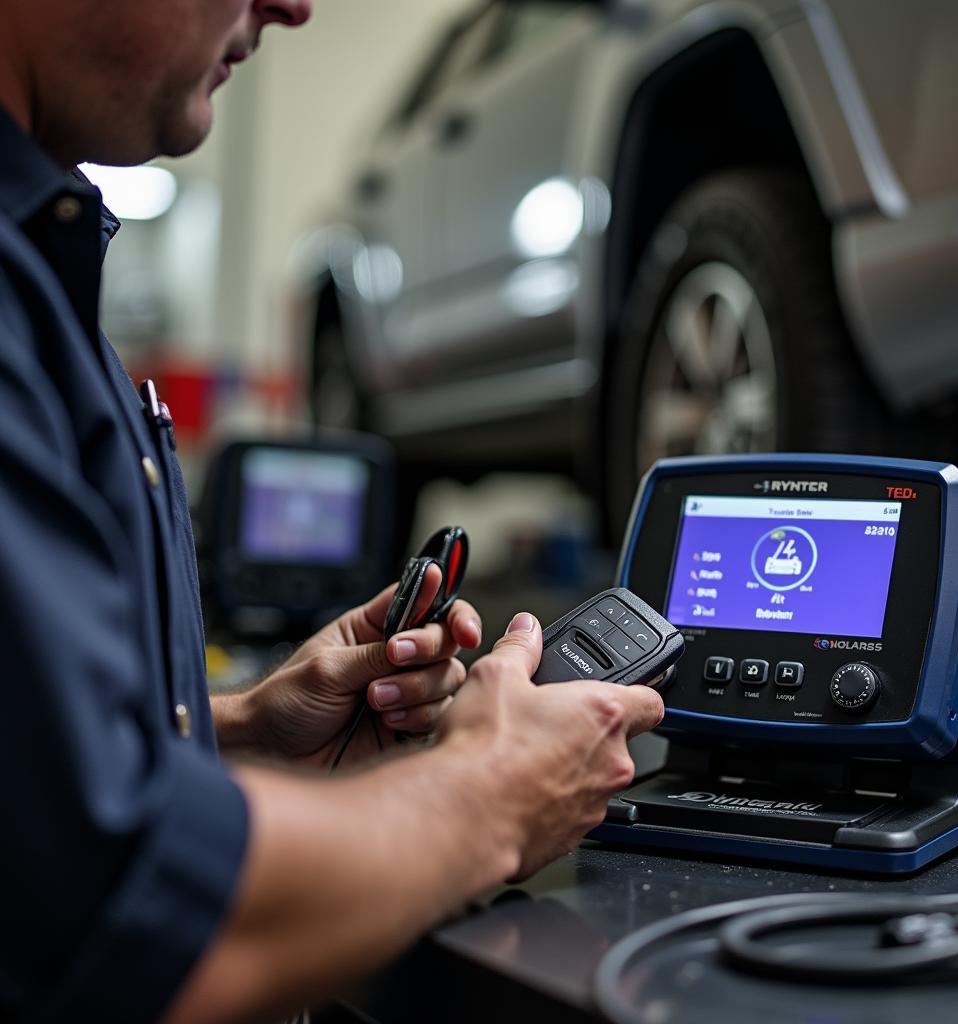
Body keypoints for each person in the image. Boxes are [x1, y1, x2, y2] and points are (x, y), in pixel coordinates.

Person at [0, 1, 665, 1021]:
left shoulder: (41, 262)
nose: (293, 5)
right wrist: (494, 792)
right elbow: (129, 922)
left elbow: (31, 791)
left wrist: (236, 732)